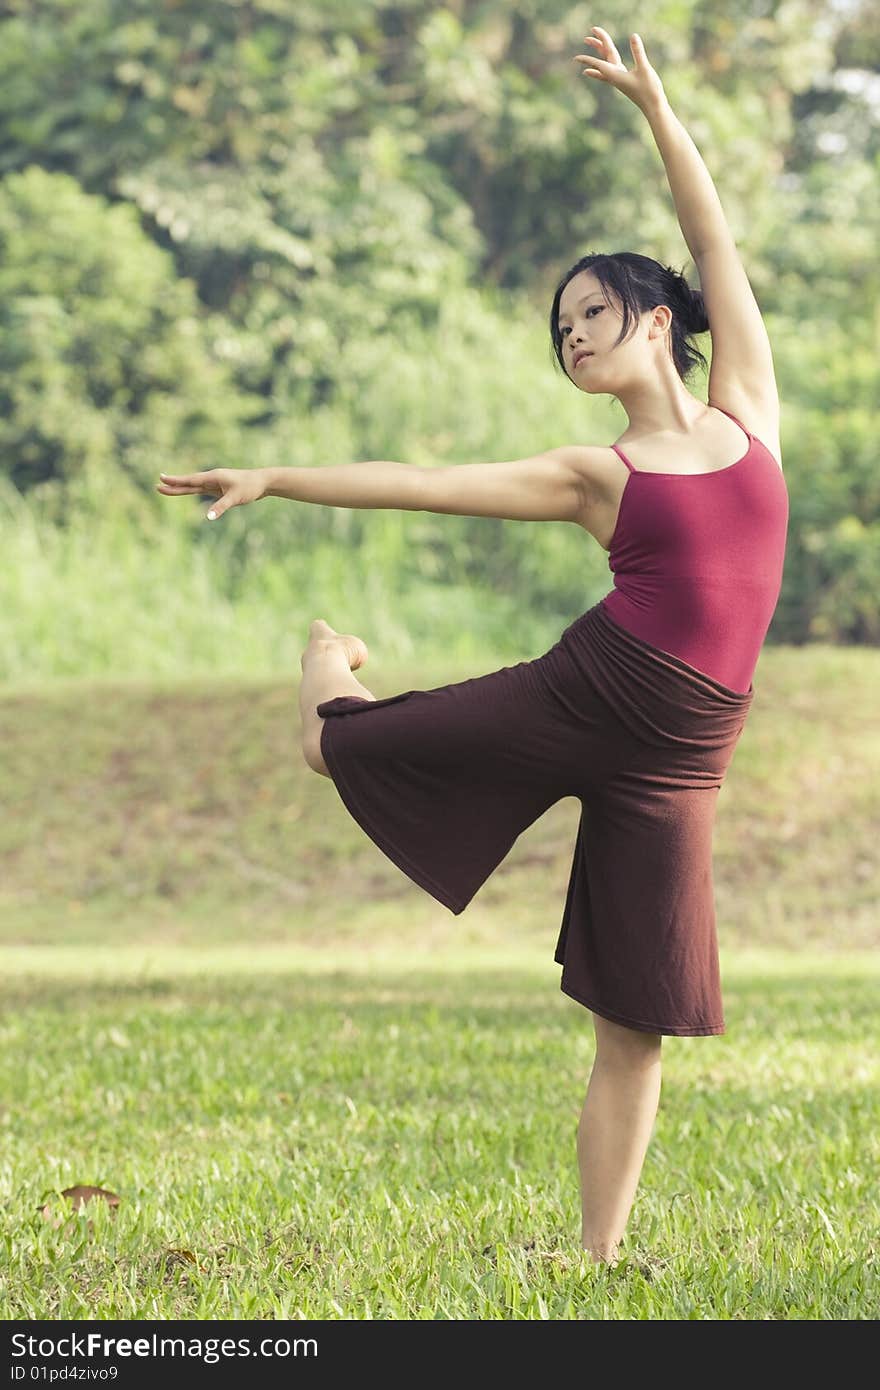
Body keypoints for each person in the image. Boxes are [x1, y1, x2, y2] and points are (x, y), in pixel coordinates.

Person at [157, 28, 788, 1266]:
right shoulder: (589, 474)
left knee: (635, 1017)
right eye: (559, 330)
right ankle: (327, 676)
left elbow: (711, 239)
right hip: (592, 690)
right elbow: (427, 481)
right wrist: (281, 474)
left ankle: (596, 1254)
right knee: (347, 752)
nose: (571, 338)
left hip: (681, 760)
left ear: (656, 321)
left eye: (590, 315)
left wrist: (658, 108)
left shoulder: (746, 412)